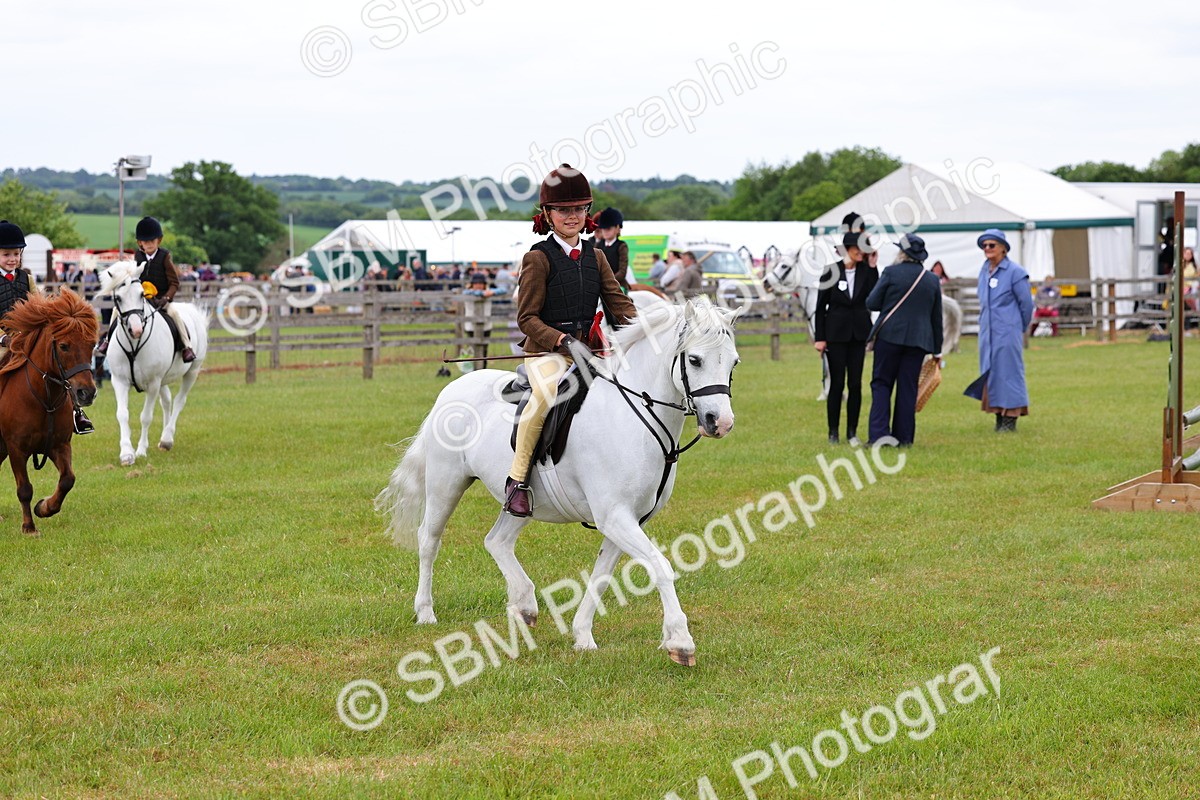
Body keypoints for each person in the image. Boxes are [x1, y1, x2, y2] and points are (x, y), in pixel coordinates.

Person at [506, 164, 637, 517]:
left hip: (590, 351)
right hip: (548, 354)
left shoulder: (596, 256)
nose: (572, 216)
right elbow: (526, 318)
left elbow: (619, 303)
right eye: (564, 210)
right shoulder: (537, 258)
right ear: (547, 214)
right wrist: (561, 339)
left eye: (579, 209)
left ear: (588, 212)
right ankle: (517, 480)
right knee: (547, 395)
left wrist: (649, 329)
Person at [0, 220, 95, 434]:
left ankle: (76, 413)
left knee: (57, 366)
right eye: (6, 254)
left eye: (16, 254)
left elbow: (40, 307)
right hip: (3, 341)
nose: (12, 259)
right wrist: (3, 338)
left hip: (28, 338)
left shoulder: (28, 279)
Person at [864, 234, 943, 446]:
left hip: (889, 337)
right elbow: (936, 318)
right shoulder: (932, 280)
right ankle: (904, 437)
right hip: (918, 342)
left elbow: (872, 302)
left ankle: (879, 436)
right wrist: (937, 350)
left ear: (902, 253)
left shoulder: (891, 273)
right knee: (908, 388)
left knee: (881, 384)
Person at [813, 212, 878, 445]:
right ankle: (833, 432)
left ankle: (852, 431)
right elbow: (820, 308)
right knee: (837, 384)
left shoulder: (866, 272)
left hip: (858, 335)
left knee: (856, 384)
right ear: (848, 250)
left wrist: (872, 265)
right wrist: (820, 338)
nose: (861, 254)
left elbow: (874, 294)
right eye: (858, 250)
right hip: (835, 335)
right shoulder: (831, 270)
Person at [97, 217, 195, 363]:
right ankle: (107, 341)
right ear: (140, 243)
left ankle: (187, 346)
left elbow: (174, 282)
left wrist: (167, 298)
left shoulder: (164, 256)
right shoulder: (138, 256)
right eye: (146, 241)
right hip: (141, 298)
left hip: (161, 298)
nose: (149, 244)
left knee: (174, 313)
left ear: (158, 241)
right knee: (116, 311)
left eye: (152, 241)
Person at [966, 228, 1033, 432]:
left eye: (991, 245)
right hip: (988, 331)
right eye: (984, 246)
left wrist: (1016, 326)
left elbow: (1027, 305)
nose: (987, 249)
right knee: (991, 372)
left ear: (1003, 248)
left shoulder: (1015, 272)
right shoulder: (984, 270)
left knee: (1009, 372)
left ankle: (1010, 418)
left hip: (1007, 330)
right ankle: (997, 413)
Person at [592, 207, 630, 288]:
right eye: (603, 229)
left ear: (617, 228)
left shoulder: (622, 246)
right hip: (600, 284)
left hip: (618, 284)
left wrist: (609, 281)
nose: (605, 232)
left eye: (608, 229)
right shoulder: (598, 245)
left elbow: (622, 271)